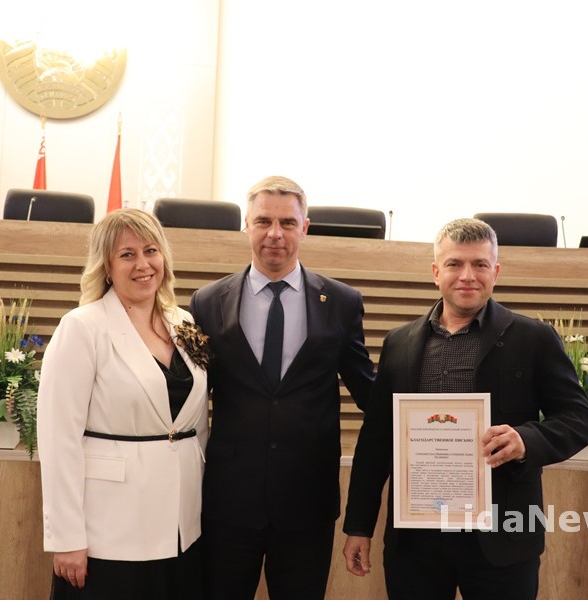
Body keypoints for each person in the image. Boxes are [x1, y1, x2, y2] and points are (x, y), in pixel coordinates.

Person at [342, 217, 588, 599]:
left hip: (503, 536)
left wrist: (525, 440)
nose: (467, 276)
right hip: (417, 540)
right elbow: (377, 440)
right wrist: (359, 526)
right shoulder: (399, 342)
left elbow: (580, 419)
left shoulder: (534, 338)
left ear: (495, 272)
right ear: (436, 272)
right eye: (454, 264)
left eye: (479, 264)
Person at [188, 175, 376, 599]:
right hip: (228, 503)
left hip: (307, 503)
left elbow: (369, 392)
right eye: (263, 221)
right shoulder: (207, 302)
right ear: (247, 226)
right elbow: (190, 394)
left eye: (287, 223)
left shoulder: (342, 303)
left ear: (304, 228)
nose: (275, 233)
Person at [37, 208, 210, 599]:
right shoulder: (82, 327)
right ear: (107, 267)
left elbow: (196, 424)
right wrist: (66, 537)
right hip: (111, 528)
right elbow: (58, 439)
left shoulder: (183, 323)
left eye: (151, 251)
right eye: (127, 254)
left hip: (181, 526)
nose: (143, 264)